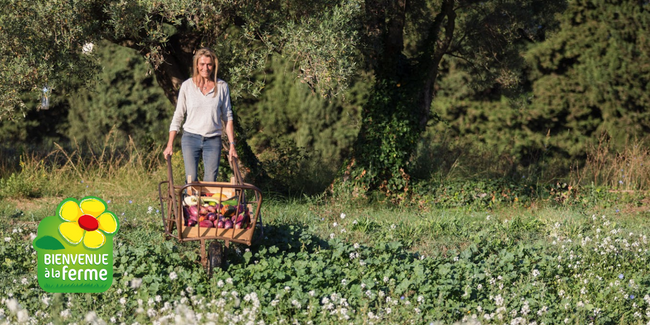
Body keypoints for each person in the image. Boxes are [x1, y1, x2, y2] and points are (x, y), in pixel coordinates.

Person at [163, 47, 238, 182]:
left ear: (213, 65)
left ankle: (205, 204)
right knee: (191, 179)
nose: (206, 68)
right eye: (202, 64)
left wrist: (232, 145)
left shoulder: (221, 87)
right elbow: (178, 116)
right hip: (191, 137)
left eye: (209, 64)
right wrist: (170, 144)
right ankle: (190, 203)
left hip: (213, 139)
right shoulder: (187, 86)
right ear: (197, 65)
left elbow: (228, 117)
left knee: (210, 181)